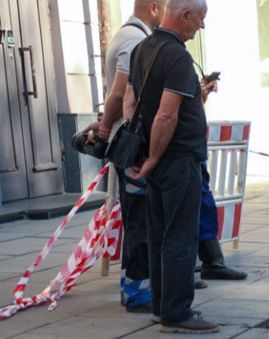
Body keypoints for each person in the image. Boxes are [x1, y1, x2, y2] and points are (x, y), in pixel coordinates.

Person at [126, 0, 218, 333]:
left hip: (159, 157)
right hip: (177, 157)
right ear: (184, 16)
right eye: (200, 19)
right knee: (180, 235)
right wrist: (151, 157)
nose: (202, 26)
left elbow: (131, 102)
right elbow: (166, 114)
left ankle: (161, 307)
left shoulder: (142, 49)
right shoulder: (176, 55)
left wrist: (146, 154)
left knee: (159, 234)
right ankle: (177, 313)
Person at [89, 0, 162, 312]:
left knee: (141, 217)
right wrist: (106, 127)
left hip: (127, 141)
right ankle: (136, 290)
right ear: (154, 7)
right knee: (141, 219)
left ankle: (142, 284)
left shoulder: (127, 35)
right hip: (131, 145)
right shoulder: (135, 40)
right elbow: (120, 93)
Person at [195, 76, 247, 281]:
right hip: (182, 152)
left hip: (192, 149)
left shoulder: (174, 55)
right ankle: (202, 265)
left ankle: (212, 261)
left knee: (204, 205)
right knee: (191, 209)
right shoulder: (170, 56)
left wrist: (200, 95)